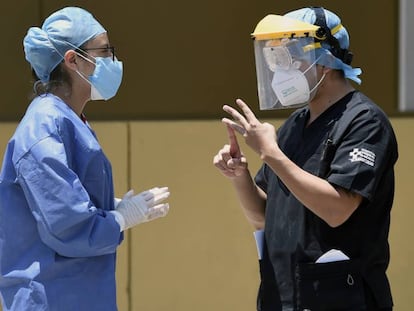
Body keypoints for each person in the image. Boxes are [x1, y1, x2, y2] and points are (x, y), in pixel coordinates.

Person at [213, 7, 397, 311]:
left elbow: (338, 209)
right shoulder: (295, 126)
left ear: (324, 61)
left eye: (286, 58)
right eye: (272, 60)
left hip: (341, 297)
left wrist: (270, 153)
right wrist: (240, 176)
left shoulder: (364, 122)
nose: (278, 70)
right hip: (284, 295)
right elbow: (264, 216)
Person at [0, 7, 170, 311]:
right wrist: (121, 218)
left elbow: (62, 198)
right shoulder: (44, 126)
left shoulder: (68, 121)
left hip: (78, 293)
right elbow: (66, 223)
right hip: (51, 297)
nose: (112, 60)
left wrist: (109, 206)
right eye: (104, 51)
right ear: (72, 59)